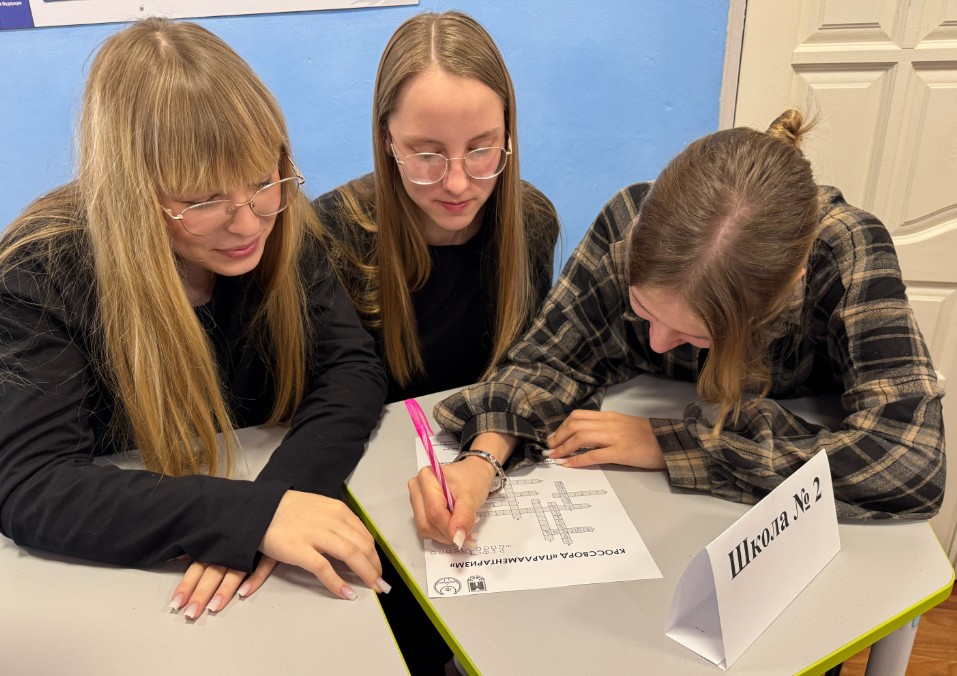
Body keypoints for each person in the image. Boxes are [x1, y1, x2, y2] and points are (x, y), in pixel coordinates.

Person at [409, 110, 946, 549]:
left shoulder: (848, 250)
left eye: (699, 335)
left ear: (790, 286)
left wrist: (673, 443)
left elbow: (908, 460)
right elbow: (547, 361)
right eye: (642, 310)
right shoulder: (628, 221)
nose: (657, 342)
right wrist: (482, 461)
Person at [0, 18, 390, 622]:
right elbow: (33, 485)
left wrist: (278, 500)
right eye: (204, 201)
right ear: (132, 194)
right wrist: (245, 517)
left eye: (261, 181)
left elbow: (350, 368)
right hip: (126, 591)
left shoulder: (281, 222)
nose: (248, 223)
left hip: (251, 562)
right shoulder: (41, 271)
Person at [314, 10, 560, 404]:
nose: (457, 184)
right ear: (386, 139)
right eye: (427, 154)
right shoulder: (330, 235)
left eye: (481, 149)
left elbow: (525, 370)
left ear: (508, 132)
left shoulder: (533, 221)